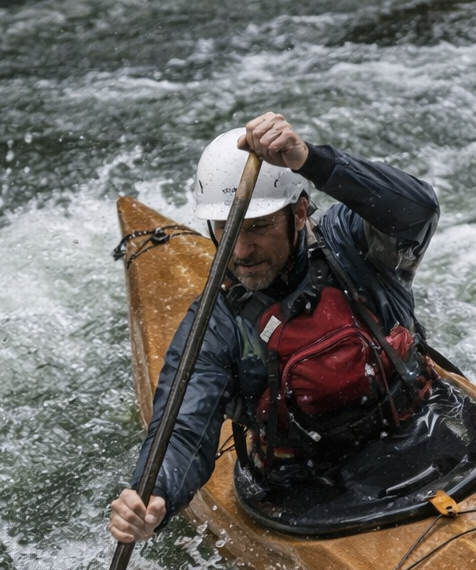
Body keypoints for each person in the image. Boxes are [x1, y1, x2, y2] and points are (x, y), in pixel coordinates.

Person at [109, 111, 442, 544]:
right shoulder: (215, 324)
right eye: (227, 230)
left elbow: (418, 209)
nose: (242, 250)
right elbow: (184, 427)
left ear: (300, 212)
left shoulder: (356, 246)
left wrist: (311, 161)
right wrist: (155, 494)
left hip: (426, 434)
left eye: (260, 227)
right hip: (310, 489)